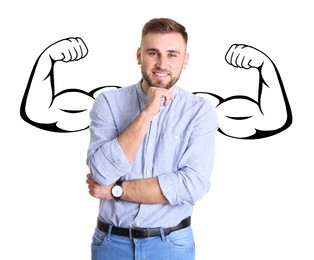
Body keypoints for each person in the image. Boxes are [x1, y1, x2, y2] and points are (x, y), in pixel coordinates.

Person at [86, 18, 218, 260]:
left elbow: (191, 186)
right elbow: (101, 174)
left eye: (172, 55)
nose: (162, 64)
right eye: (153, 53)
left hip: (171, 244)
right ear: (139, 55)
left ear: (185, 60)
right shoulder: (108, 104)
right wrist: (147, 114)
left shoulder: (200, 112)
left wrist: (115, 191)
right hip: (111, 244)